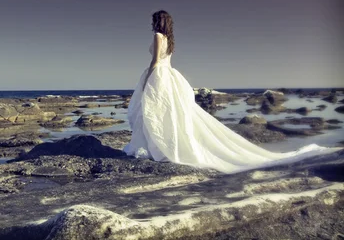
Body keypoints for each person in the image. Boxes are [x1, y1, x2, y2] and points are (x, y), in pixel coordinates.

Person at [123, 10, 339, 174]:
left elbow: (154, 61)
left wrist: (146, 81)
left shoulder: (159, 37)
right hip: (168, 75)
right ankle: (160, 145)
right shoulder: (170, 40)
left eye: (153, 20)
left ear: (157, 22)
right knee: (164, 113)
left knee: (154, 111)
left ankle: (157, 147)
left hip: (159, 76)